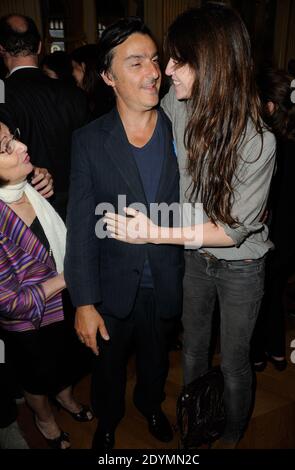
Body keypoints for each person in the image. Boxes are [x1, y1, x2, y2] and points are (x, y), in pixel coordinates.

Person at [104, 5, 276, 448]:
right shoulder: (178, 107)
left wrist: (154, 232)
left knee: (235, 363)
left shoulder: (258, 140)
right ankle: (195, 427)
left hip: (240, 265)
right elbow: (133, 128)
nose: (167, 72)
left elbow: (231, 232)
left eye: (178, 60)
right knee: (195, 350)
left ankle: (231, 436)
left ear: (212, 63)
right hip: (193, 259)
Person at [64, 17, 184, 451]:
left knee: (155, 361)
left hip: (168, 277)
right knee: (107, 365)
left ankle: (150, 405)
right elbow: (80, 227)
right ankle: (109, 420)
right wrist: (83, 302)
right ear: (108, 76)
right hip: (111, 284)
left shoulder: (181, 128)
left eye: (154, 60)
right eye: (136, 63)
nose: (153, 72)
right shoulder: (89, 141)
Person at [0, 122, 93, 450]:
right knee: (37, 378)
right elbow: (8, 302)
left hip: (65, 303)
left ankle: (66, 397)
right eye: (5, 147)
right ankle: (44, 419)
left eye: (14, 137)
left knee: (67, 359)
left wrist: (40, 178)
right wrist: (67, 278)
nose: (22, 147)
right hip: (30, 323)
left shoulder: (24, 184)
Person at [0, 14, 90, 219]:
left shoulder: (1, 90)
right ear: (40, 47)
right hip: (77, 204)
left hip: (29, 208)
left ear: (1, 49)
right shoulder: (74, 93)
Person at [251, 68, 295, 371]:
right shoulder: (293, 142)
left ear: (269, 107)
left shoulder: (268, 146)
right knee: (275, 292)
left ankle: (257, 354)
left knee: (258, 297)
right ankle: (277, 351)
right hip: (292, 241)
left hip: (272, 237)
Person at [71, 44, 114, 118]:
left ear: (83, 66)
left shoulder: (96, 103)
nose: (72, 73)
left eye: (73, 67)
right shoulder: (112, 93)